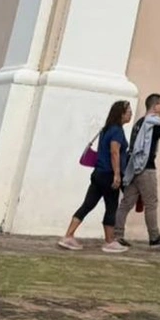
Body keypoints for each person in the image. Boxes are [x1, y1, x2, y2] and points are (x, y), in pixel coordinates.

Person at [59, 100, 133, 253]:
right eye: (128, 111)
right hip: (108, 174)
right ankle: (109, 241)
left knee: (87, 205)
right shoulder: (117, 131)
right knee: (111, 207)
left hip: (98, 173)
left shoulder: (106, 129)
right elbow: (114, 152)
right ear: (120, 114)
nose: (130, 114)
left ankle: (68, 235)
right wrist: (117, 174)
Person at [115, 93, 160, 248]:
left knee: (126, 202)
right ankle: (154, 237)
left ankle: (117, 234)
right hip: (146, 167)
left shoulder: (140, 122)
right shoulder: (154, 123)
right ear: (155, 106)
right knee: (151, 203)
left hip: (133, 165)